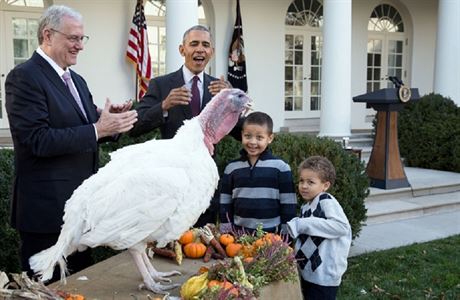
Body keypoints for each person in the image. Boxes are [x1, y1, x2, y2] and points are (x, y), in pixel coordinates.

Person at [5, 5, 138, 280]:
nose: (80, 46)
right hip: (47, 215)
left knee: (83, 286)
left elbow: (87, 124)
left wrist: (111, 121)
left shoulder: (76, 80)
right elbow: (36, 140)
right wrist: (97, 129)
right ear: (47, 35)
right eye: (73, 38)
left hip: (81, 211)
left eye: (82, 38)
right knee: (48, 291)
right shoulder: (24, 77)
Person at [130, 25, 235, 227]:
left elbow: (240, 131)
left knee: (200, 245)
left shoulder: (220, 88)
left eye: (205, 45)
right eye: (193, 44)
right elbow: (136, 126)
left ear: (211, 52)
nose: (200, 49)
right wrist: (163, 106)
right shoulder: (161, 85)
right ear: (182, 50)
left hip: (204, 183)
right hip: (171, 183)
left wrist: (231, 101)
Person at [219, 112, 297, 234]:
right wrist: (226, 230)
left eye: (259, 137)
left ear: (270, 138)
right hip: (239, 236)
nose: (253, 142)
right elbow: (225, 201)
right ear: (242, 135)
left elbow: (288, 204)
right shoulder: (232, 168)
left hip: (271, 237)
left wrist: (286, 235)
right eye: (248, 136)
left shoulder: (281, 168)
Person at [286, 156, 351, 300]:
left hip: (325, 277)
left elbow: (341, 227)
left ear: (325, 185)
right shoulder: (306, 206)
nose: (304, 186)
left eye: (310, 182)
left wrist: (303, 224)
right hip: (310, 273)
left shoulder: (325, 201)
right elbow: (308, 237)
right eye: (301, 181)